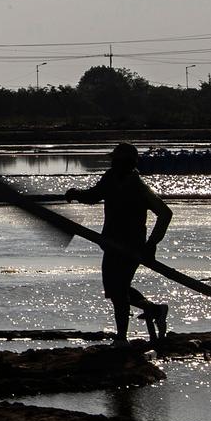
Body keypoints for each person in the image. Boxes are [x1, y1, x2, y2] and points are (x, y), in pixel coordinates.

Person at [65, 143, 172, 344]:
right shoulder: (109, 179)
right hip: (111, 243)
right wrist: (77, 194)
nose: (114, 164)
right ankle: (155, 309)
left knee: (120, 289)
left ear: (128, 164)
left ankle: (122, 338)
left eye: (118, 161)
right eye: (114, 161)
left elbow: (165, 214)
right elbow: (94, 196)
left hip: (132, 247)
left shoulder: (139, 188)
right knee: (115, 291)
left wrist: (152, 243)